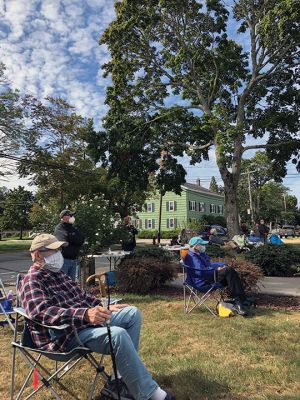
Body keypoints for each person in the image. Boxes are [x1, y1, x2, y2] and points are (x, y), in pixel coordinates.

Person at [19, 234, 175, 400]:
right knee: (117, 335)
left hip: (85, 325)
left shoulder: (60, 275)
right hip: (64, 336)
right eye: (54, 251)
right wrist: (85, 314)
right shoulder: (32, 281)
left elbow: (83, 297)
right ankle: (152, 394)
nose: (59, 254)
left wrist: (102, 307)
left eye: (59, 250)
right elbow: (42, 313)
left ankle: (120, 379)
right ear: (37, 254)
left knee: (132, 314)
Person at [184, 237, 248, 316]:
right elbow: (200, 272)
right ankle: (239, 301)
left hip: (208, 276)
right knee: (229, 271)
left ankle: (239, 301)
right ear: (196, 246)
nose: (204, 246)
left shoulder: (199, 253)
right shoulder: (192, 257)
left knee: (229, 272)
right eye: (202, 244)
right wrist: (216, 269)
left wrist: (222, 264)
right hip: (203, 281)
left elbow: (209, 265)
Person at [54, 209, 84, 281]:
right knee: (63, 282)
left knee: (71, 283)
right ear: (64, 217)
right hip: (64, 260)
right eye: (70, 215)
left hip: (74, 260)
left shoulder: (72, 228)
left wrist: (73, 238)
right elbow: (64, 241)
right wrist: (74, 239)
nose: (72, 217)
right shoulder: (59, 228)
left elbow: (81, 239)